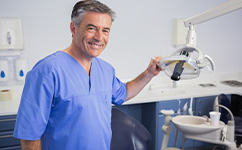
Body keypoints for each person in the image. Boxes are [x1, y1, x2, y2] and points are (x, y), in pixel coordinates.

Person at [13, 0, 162, 149]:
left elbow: (123, 93)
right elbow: (29, 138)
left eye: (105, 30)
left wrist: (149, 74)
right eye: (91, 28)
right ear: (73, 28)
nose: (99, 37)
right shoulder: (46, 72)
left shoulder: (105, 70)